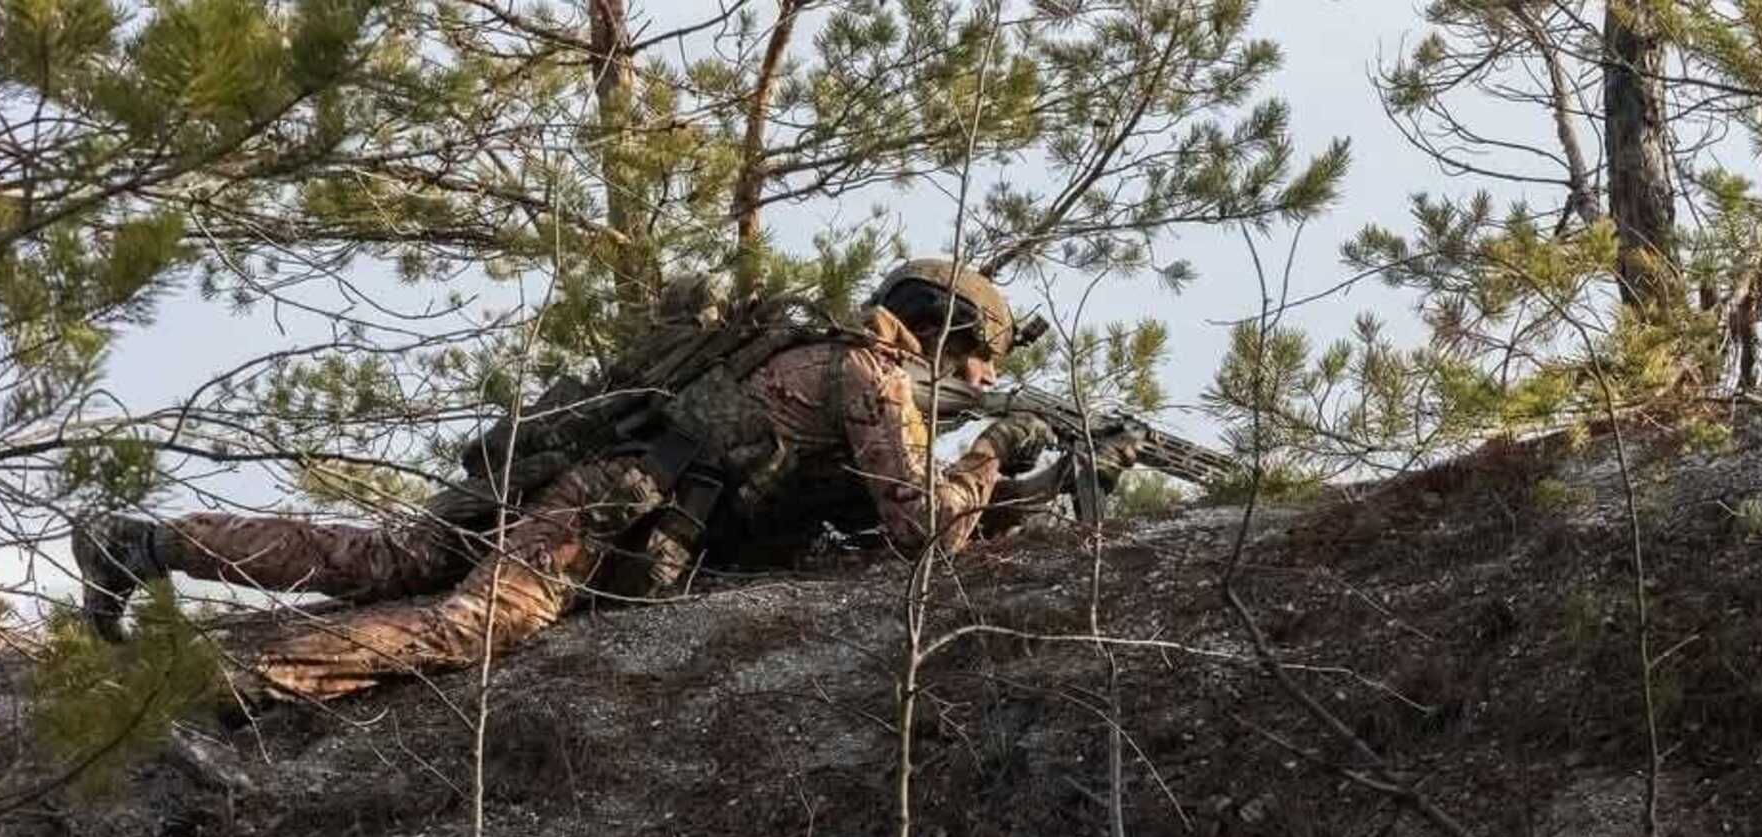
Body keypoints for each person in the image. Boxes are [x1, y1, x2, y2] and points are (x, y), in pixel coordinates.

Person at [71, 259, 1103, 703]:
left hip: (572, 469)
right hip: (608, 503)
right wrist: (994, 451)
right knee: (470, 627)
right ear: (940, 332)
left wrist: (1029, 481)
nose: (979, 382)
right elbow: (923, 534)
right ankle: (213, 689)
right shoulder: (872, 378)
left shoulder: (814, 351)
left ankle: (145, 542)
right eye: (978, 363)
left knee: (395, 557)